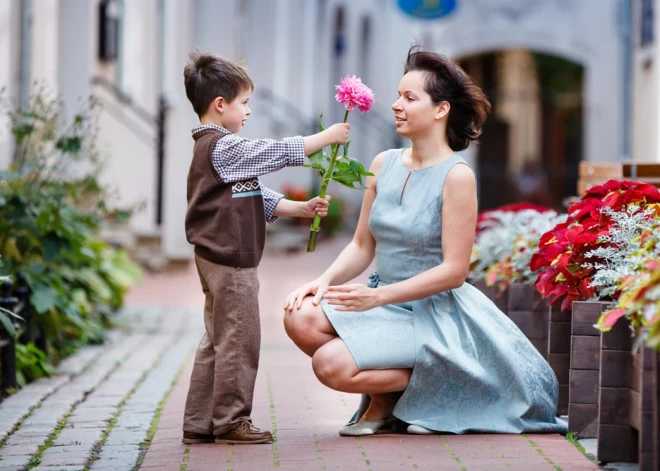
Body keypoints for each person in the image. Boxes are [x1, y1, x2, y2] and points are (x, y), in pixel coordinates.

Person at [283, 46, 567, 436]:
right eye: (398, 95)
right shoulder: (382, 163)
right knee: (299, 317)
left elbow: (454, 272)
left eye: (409, 97)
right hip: (383, 301)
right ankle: (387, 405)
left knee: (329, 365)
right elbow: (362, 246)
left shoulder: (457, 176)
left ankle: (440, 381)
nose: (396, 105)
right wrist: (325, 281)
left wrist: (378, 298)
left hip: (434, 314)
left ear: (440, 109)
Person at [181, 51, 350, 445]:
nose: (249, 111)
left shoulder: (216, 150)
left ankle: (200, 420)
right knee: (241, 339)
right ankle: (231, 420)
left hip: (214, 256)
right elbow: (271, 154)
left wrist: (300, 209)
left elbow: (253, 192)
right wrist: (324, 138)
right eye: (244, 103)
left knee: (217, 337)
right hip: (231, 261)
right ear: (220, 105)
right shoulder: (223, 147)